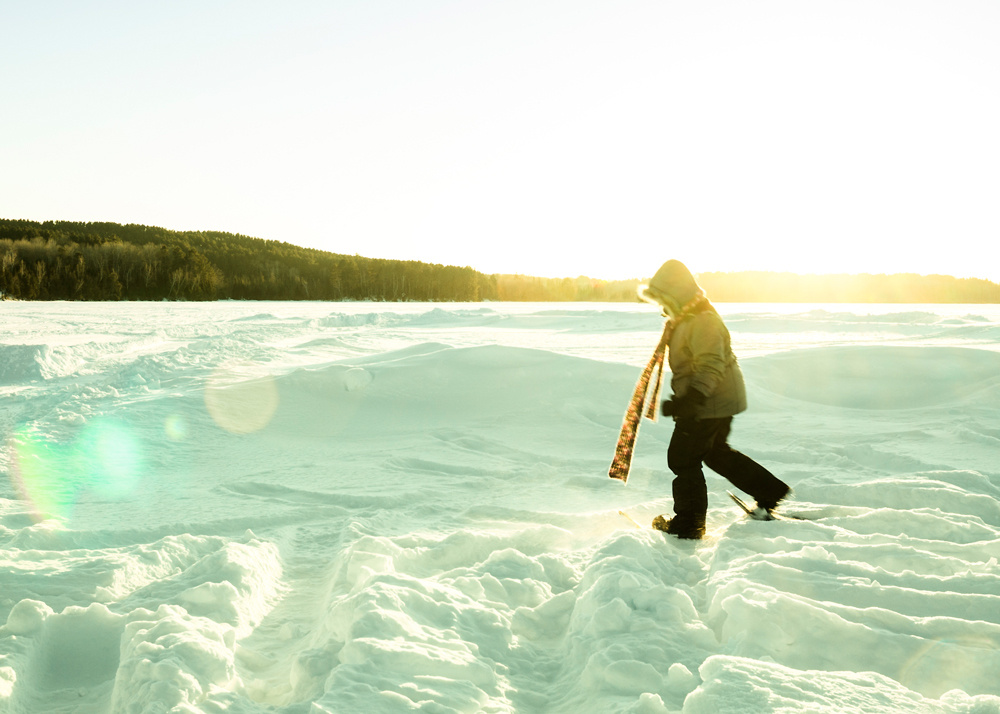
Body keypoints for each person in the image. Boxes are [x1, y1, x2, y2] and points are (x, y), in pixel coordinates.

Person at [638, 260, 789, 539]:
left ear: (676, 294)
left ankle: (689, 524)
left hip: (710, 401)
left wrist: (692, 399)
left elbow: (710, 364)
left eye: (663, 297)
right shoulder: (687, 316)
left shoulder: (703, 320)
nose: (660, 305)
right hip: (717, 399)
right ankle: (770, 490)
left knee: (683, 459)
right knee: (715, 453)